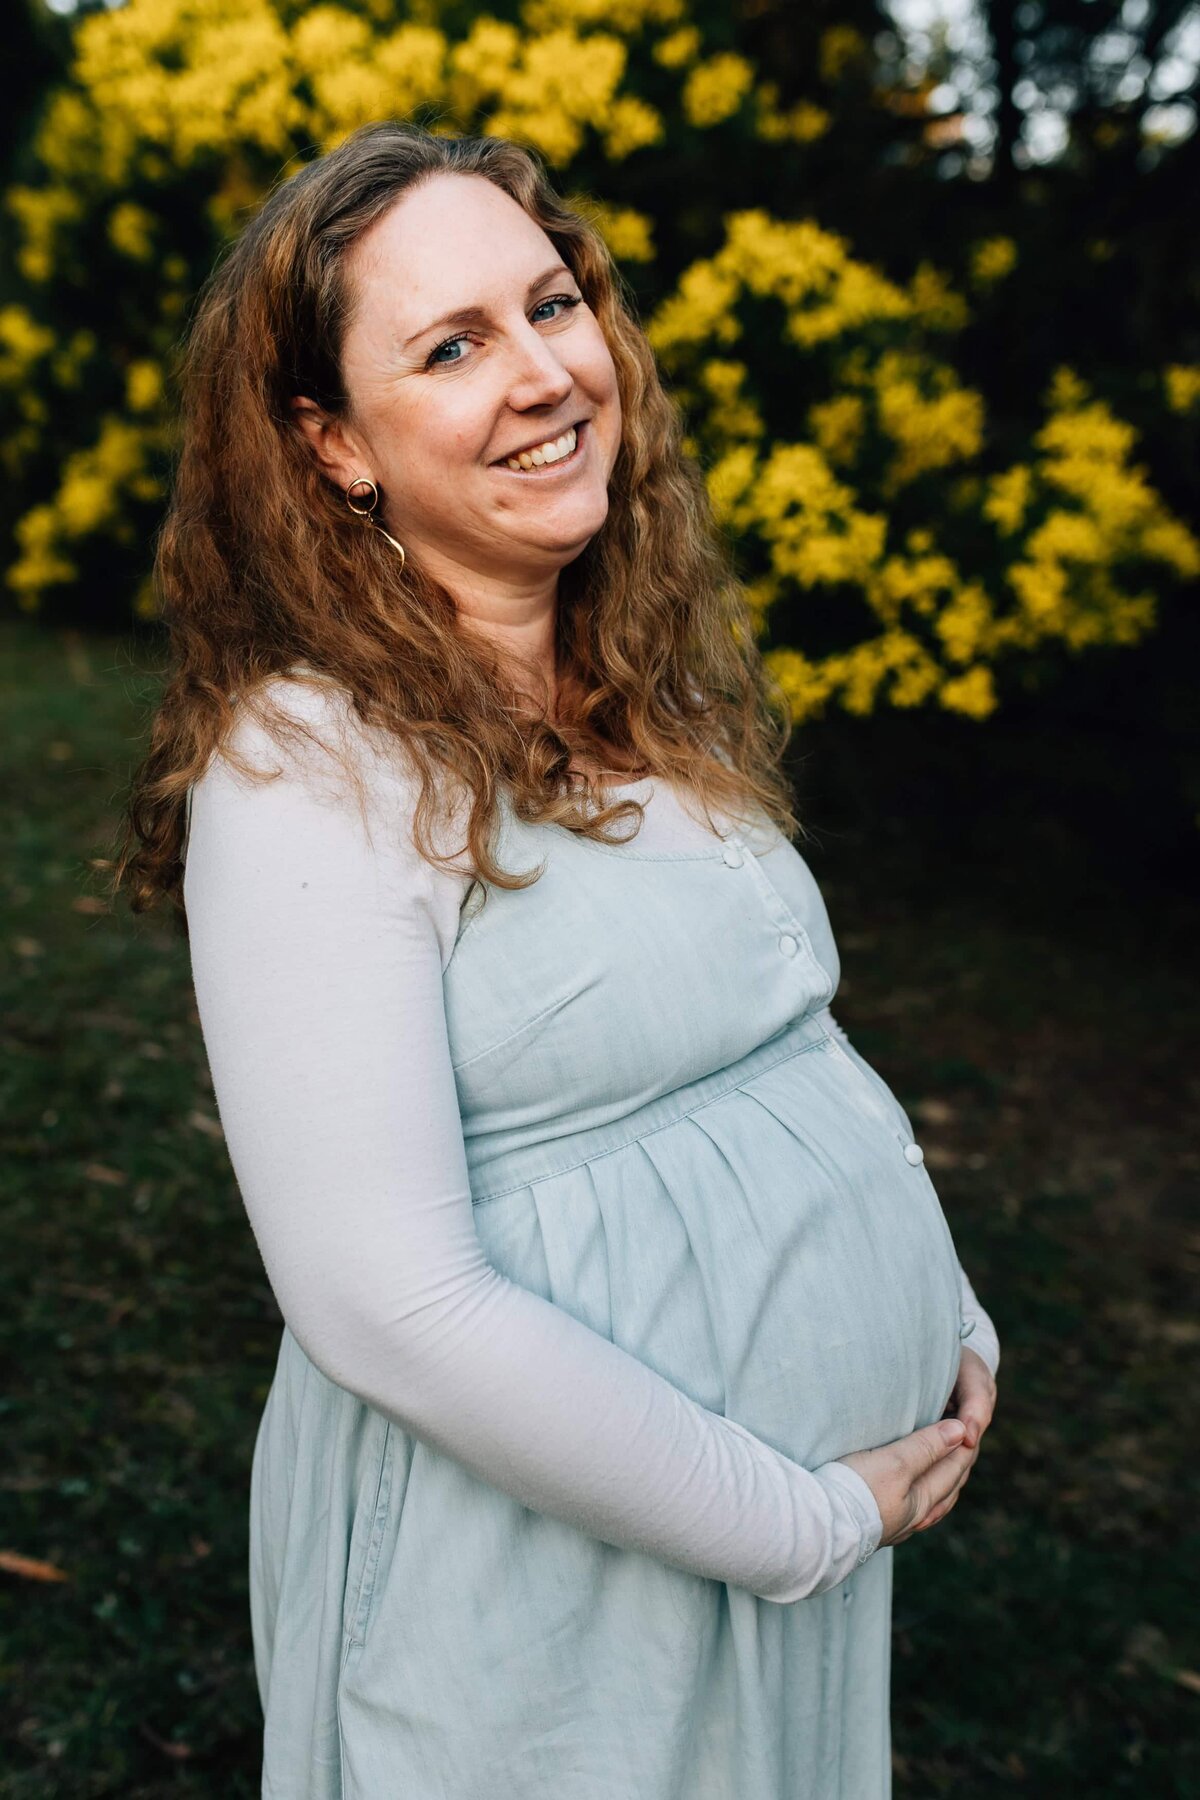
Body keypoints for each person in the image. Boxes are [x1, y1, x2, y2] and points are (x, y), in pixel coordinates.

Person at [116, 120, 999, 1798]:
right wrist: (801, 1517)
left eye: (552, 305)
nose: (545, 374)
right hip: (547, 1599)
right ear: (333, 446)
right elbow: (388, 1305)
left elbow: (782, 1050)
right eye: (452, 346)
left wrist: (942, 1310)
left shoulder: (638, 685)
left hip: (776, 1558)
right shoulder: (315, 762)